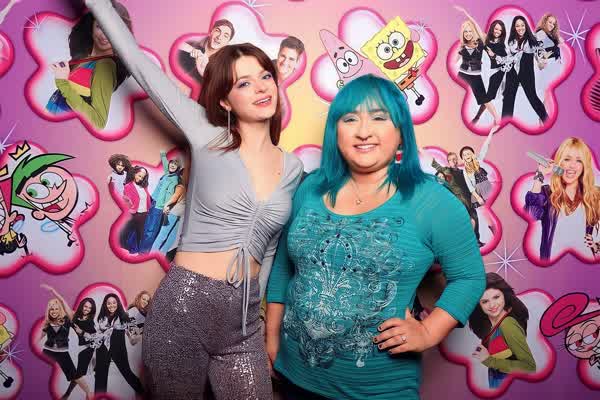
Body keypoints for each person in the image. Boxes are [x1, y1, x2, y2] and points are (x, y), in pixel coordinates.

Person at [86, 1, 304, 398]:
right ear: (224, 101)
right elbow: (140, 65)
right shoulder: (207, 135)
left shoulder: (293, 168)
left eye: (265, 76)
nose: (261, 87)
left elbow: (271, 248)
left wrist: (256, 319)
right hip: (184, 309)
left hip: (243, 325)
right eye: (243, 83)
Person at [266, 74, 485, 400]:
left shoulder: (432, 201)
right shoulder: (310, 188)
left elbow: (469, 277)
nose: (364, 131)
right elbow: (285, 267)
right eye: (350, 118)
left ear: (401, 132)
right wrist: (271, 338)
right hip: (294, 378)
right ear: (335, 131)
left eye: (379, 118)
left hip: (378, 391)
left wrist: (428, 331)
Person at [46, 1, 132, 129]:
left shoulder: (105, 66)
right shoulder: (86, 57)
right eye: (99, 26)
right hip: (48, 126)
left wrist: (62, 82)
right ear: (91, 25)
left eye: (112, 30)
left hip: (60, 132)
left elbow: (98, 122)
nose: (104, 35)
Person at [525, 137, 600, 260]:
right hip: (551, 265)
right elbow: (531, 215)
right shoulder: (546, 193)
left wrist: (597, 247)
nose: (572, 165)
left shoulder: (594, 195)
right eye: (567, 159)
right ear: (559, 163)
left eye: (579, 160)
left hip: (584, 262)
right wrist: (540, 175)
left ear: (584, 166)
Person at [469, 273, 536, 388]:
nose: (492, 305)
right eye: (485, 301)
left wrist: (489, 360)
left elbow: (529, 367)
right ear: (479, 305)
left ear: (504, 296)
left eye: (496, 297)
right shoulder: (493, 328)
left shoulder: (507, 324)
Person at [39, 284, 92, 400]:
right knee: (39, 373)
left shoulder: (67, 319)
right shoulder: (47, 322)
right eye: (51, 309)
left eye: (56, 308)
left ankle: (88, 393)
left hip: (62, 353)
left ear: (60, 309)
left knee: (74, 375)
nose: (54, 311)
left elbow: (63, 302)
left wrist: (53, 291)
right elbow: (38, 338)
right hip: (48, 351)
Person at [454, 6, 500, 131]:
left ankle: (497, 119)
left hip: (475, 76)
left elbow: (477, 27)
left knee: (484, 98)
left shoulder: (480, 42)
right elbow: (454, 62)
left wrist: (466, 13)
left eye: (470, 31)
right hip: (462, 75)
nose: (468, 34)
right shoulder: (462, 46)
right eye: (465, 32)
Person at [502, 16, 548, 124]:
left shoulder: (532, 40)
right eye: (517, 26)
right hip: (512, 72)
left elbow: (540, 58)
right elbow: (509, 58)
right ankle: (504, 124)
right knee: (508, 98)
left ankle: (546, 120)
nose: (520, 28)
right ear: (514, 28)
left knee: (532, 97)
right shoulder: (511, 42)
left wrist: (542, 62)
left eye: (522, 25)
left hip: (527, 72)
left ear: (526, 26)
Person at [94, 293, 143, 395]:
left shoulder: (124, 316)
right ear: (105, 305)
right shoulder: (102, 318)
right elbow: (98, 336)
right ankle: (99, 397)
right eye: (109, 303)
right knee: (100, 377)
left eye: (114, 303)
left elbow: (133, 336)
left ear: (118, 303)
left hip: (118, 349)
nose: (111, 305)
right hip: (102, 349)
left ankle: (144, 393)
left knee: (127, 373)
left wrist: (138, 335)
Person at [431, 152, 483, 247]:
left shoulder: (463, 172)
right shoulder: (446, 171)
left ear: (457, 160)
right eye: (450, 160)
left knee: (474, 218)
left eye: (455, 159)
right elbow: (435, 164)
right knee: (463, 221)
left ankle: (476, 240)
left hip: (468, 199)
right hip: (458, 200)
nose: (453, 161)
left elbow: (471, 184)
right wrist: (422, 151)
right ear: (448, 161)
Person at [139, 151, 182, 253]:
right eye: (171, 163)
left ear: (178, 168)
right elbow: (164, 161)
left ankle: (143, 253)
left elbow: (170, 196)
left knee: (151, 231)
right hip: (153, 203)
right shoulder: (167, 174)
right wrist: (163, 154)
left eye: (175, 164)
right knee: (146, 228)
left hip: (159, 207)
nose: (172, 165)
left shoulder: (175, 179)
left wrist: (164, 206)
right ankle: (141, 250)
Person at [177, 19, 235, 86]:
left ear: (227, 43)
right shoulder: (194, 46)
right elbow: (175, 43)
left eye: (225, 36)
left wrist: (203, 72)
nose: (219, 37)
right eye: (217, 31)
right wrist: (192, 50)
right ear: (211, 32)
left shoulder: (223, 67)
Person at [472, 20, 508, 124]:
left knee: (487, 97)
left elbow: (505, 60)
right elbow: (476, 27)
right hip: (491, 71)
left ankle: (492, 119)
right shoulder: (486, 39)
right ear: (492, 28)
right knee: (487, 96)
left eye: (500, 30)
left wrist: (494, 55)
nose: (498, 32)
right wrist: (466, 14)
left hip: (500, 72)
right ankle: (477, 118)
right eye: (496, 29)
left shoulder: (501, 44)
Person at [61, 298, 97, 399]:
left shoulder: (90, 322)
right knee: (78, 374)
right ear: (82, 306)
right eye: (85, 306)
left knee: (78, 374)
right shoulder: (74, 317)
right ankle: (69, 394)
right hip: (82, 348)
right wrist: (53, 291)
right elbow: (64, 304)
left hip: (90, 348)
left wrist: (82, 332)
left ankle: (72, 394)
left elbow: (94, 337)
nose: (87, 309)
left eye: (89, 308)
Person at [535, 14, 563, 108]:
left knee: (550, 91)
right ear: (545, 22)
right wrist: (541, 59)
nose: (552, 25)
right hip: (548, 65)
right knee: (548, 90)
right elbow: (535, 48)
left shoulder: (550, 35)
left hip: (554, 64)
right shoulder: (541, 33)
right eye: (550, 22)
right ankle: (543, 112)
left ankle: (544, 112)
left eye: (554, 24)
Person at [120, 166, 150, 254]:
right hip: (133, 214)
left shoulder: (144, 187)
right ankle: (124, 250)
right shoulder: (128, 186)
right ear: (135, 174)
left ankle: (140, 253)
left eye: (142, 177)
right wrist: (131, 209)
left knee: (140, 234)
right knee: (125, 232)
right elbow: (125, 200)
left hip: (144, 214)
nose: (140, 178)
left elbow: (146, 199)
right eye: (139, 175)